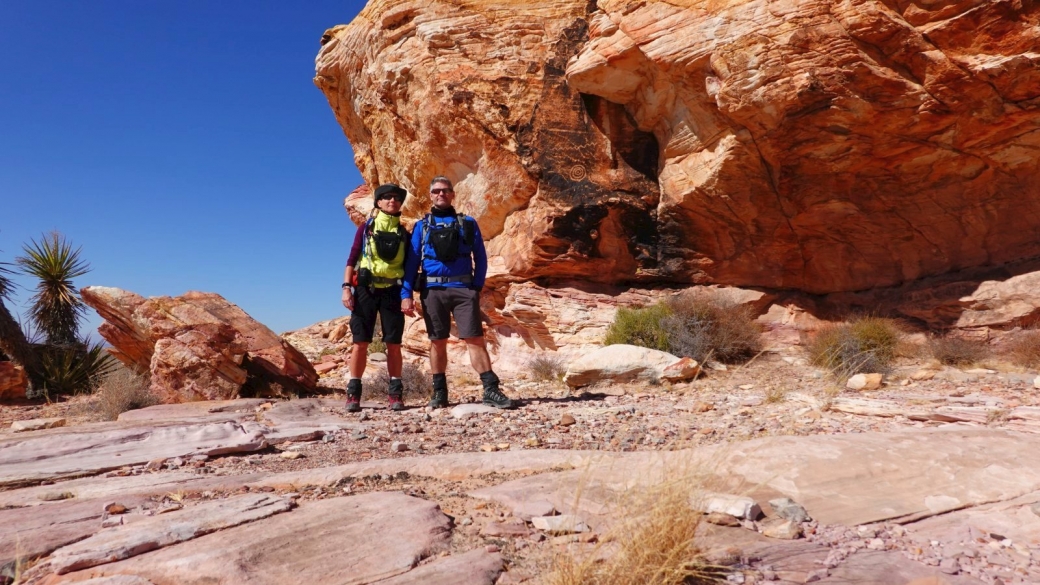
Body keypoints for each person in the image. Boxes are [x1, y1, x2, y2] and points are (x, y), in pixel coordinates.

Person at [401, 176, 514, 409]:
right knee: (437, 341)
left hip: (463, 289)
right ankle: (440, 392)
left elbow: (480, 257)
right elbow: (411, 262)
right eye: (436, 191)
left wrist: (477, 286)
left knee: (474, 338)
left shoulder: (468, 223)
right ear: (430, 195)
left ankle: (490, 390)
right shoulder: (422, 227)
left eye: (445, 191)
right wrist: (405, 294)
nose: (441, 194)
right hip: (432, 290)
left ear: (453, 194)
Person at [342, 183, 415, 412]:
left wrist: (407, 294)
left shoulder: (403, 233)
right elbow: (352, 258)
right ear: (378, 202)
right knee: (360, 342)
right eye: (387, 197)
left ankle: (395, 394)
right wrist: (346, 287)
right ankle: (353, 394)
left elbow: (409, 266)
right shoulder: (366, 228)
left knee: (394, 343)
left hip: (393, 291)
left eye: (396, 198)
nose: (392, 201)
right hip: (366, 289)